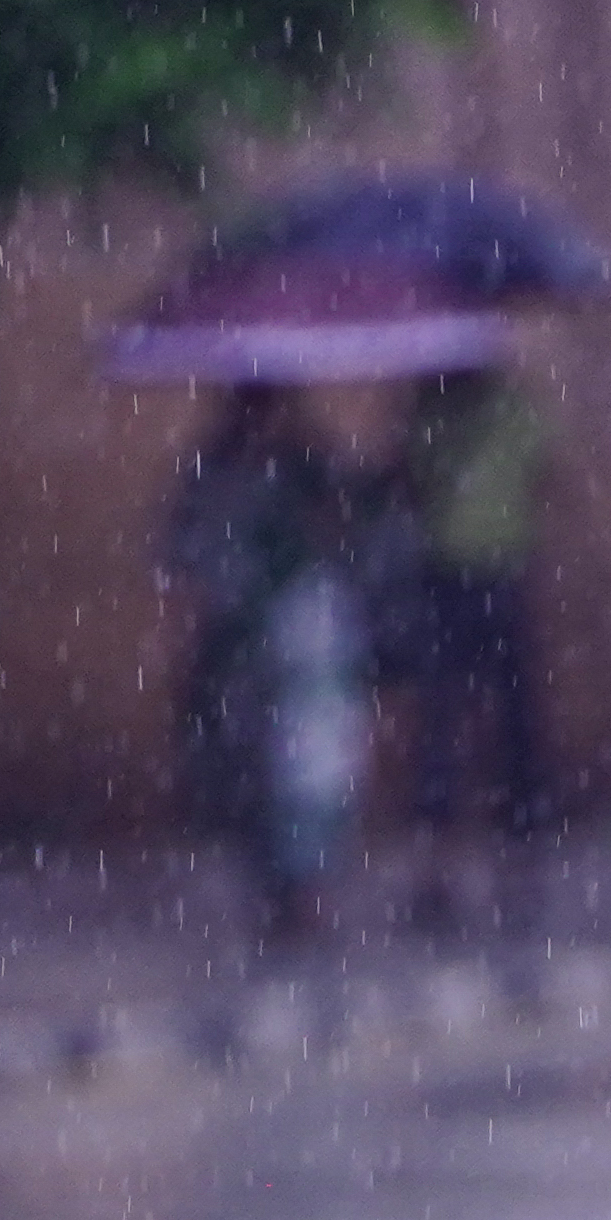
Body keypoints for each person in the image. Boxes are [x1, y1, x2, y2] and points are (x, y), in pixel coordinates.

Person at [157, 385, 360, 944]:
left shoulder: (306, 469)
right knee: (241, 772)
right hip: (237, 649)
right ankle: (271, 891)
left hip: (300, 651)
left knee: (304, 775)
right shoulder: (214, 471)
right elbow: (180, 553)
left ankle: (302, 895)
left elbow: (340, 537)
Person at [373, 357, 559, 934]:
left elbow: (416, 479)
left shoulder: (460, 411)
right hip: (466, 578)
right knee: (462, 730)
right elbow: (541, 469)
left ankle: (492, 869)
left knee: (477, 728)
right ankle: (464, 871)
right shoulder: (474, 411)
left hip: (475, 577)